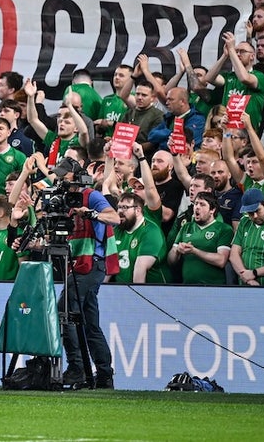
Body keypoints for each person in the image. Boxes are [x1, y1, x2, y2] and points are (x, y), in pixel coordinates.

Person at [51, 157, 119, 390]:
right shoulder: (64, 201)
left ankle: (77, 368)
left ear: (75, 176)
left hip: (92, 264)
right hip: (80, 264)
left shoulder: (92, 195)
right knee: (90, 323)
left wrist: (91, 213)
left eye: (64, 175)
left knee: (64, 310)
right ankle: (104, 374)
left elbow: (115, 218)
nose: (61, 178)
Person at [166, 191, 233, 285]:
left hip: (213, 288)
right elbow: (170, 261)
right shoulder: (186, 227)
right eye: (196, 204)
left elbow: (221, 260)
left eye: (202, 204)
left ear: (212, 210)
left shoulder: (224, 229)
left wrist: (194, 251)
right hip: (187, 287)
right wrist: (177, 250)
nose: (197, 207)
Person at [111, 192, 170, 284]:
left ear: (137, 210)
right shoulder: (117, 230)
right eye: (119, 207)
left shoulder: (151, 231)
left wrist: (135, 297)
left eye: (125, 207)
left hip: (152, 292)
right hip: (121, 290)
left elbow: (140, 270)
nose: (120, 211)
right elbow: (109, 263)